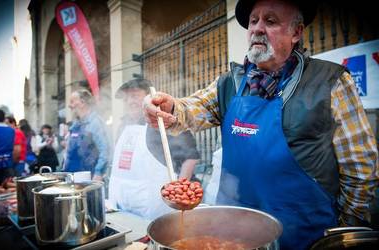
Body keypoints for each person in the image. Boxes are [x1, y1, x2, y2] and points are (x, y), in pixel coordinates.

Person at [143, 0, 379, 248]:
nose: (257, 28)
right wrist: (167, 107)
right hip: (232, 236)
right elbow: (188, 110)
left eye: (270, 21)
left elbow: (361, 168)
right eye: (253, 21)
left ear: (296, 33)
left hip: (306, 237)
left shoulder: (331, 81)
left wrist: (343, 234)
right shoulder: (230, 84)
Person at [108, 79, 200, 220]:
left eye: (134, 96)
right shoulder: (123, 125)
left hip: (157, 208)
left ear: (149, 98)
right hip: (124, 207)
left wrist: (179, 193)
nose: (129, 101)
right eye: (126, 98)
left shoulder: (164, 120)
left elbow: (191, 157)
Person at [64, 89, 110, 181]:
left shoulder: (95, 123)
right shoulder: (75, 125)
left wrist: (98, 172)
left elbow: (105, 150)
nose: (69, 106)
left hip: (89, 178)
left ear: (82, 102)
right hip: (72, 177)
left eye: (72, 102)